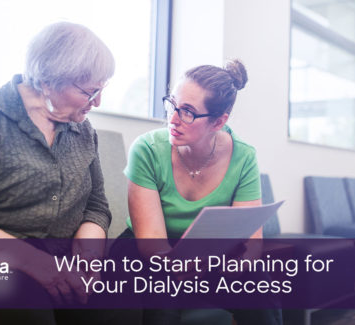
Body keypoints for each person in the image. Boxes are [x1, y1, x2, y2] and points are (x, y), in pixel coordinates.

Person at [0, 21, 137, 325]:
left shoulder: (83, 130)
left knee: (121, 300)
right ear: (48, 81)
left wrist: (89, 254)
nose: (98, 102)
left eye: (101, 89)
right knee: (26, 304)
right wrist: (30, 260)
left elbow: (96, 205)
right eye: (90, 91)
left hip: (55, 262)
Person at [120, 61, 282, 324]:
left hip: (209, 255)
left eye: (187, 112)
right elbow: (151, 243)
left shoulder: (243, 156)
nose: (172, 118)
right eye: (172, 104)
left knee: (259, 281)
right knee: (162, 288)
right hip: (149, 252)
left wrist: (240, 263)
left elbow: (252, 240)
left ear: (218, 121)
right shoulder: (147, 149)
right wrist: (182, 265)